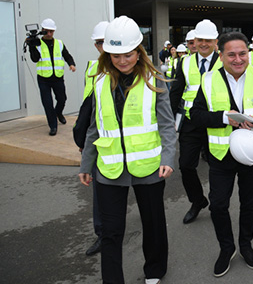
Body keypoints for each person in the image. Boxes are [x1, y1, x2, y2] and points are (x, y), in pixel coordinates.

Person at [78, 15, 176, 284]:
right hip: (109, 168)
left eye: (128, 54)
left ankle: (154, 270)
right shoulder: (98, 83)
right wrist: (86, 164)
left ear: (138, 52)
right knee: (110, 232)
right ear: (107, 54)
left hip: (149, 166)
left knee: (153, 224)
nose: (122, 61)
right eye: (115, 55)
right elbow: (94, 128)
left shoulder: (153, 80)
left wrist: (168, 157)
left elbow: (167, 125)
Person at [190, 32, 253, 277]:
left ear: (248, 53)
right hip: (221, 156)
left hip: (251, 153)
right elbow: (195, 116)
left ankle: (246, 245)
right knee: (218, 205)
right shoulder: (208, 80)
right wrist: (222, 118)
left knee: (250, 204)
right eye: (232, 54)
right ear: (221, 56)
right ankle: (226, 248)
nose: (238, 59)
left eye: (242, 53)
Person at [170, 19, 222, 224]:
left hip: (216, 121)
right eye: (200, 40)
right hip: (191, 123)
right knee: (186, 165)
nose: (203, 44)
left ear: (215, 41)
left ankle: (217, 203)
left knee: (218, 166)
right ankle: (197, 200)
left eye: (208, 40)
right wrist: (170, 122)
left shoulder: (224, 61)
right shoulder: (185, 62)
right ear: (194, 41)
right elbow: (176, 93)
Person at [73, 20, 109, 257]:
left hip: (130, 144)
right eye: (99, 42)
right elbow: (88, 108)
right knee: (101, 193)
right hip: (100, 139)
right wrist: (84, 143)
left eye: (106, 42)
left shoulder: (133, 68)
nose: (103, 47)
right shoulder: (91, 68)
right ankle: (103, 235)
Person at [27, 18, 76, 136]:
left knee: (62, 99)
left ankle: (58, 112)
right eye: (47, 31)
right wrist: (31, 46)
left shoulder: (59, 43)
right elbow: (35, 59)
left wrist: (71, 64)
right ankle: (53, 126)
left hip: (57, 78)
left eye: (51, 31)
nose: (49, 34)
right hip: (44, 79)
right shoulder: (37, 43)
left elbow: (67, 55)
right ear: (42, 30)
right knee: (47, 103)